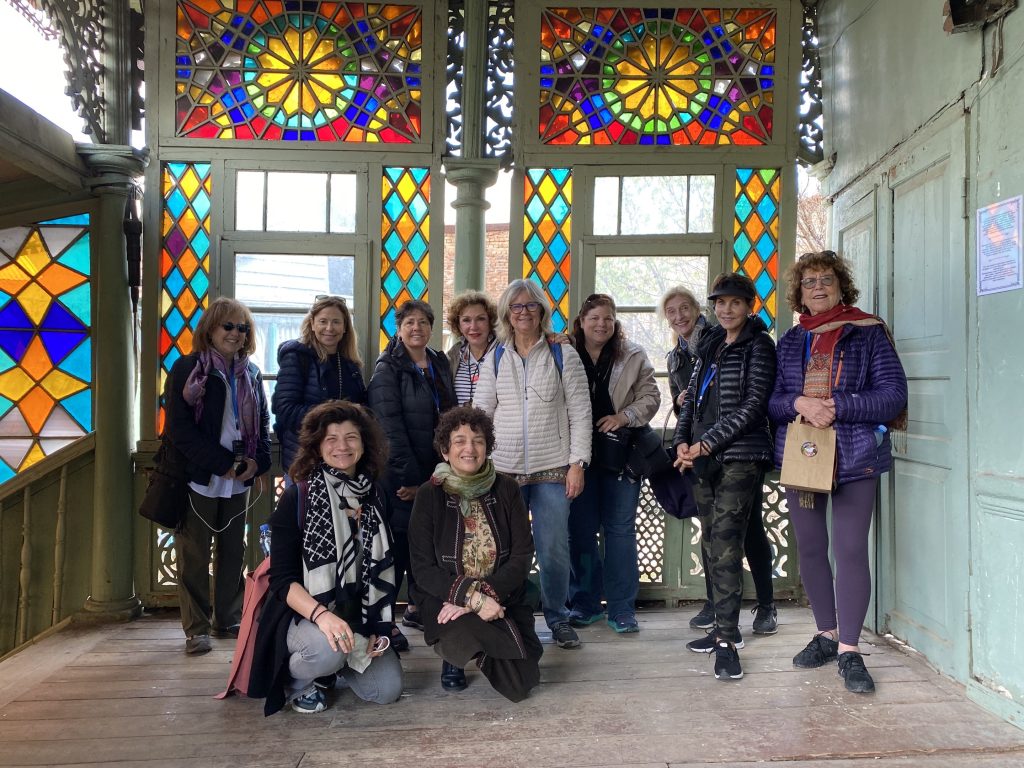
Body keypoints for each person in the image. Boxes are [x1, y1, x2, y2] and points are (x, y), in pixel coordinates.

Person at [770, 250, 907, 694]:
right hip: (804, 454)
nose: (818, 287)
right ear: (799, 293)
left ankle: (850, 649)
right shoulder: (791, 341)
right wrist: (798, 403)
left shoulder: (867, 333)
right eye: (809, 282)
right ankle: (825, 635)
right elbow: (771, 401)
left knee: (849, 551)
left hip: (854, 455)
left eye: (826, 279)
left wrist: (837, 406)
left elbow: (892, 396)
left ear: (841, 285)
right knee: (811, 548)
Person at [248, 400, 403, 715]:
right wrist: (322, 616)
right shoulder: (298, 497)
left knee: (387, 690)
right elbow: (282, 580)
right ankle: (303, 681)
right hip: (303, 615)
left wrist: (378, 629)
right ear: (317, 447)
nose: (342, 446)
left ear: (364, 444)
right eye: (331, 439)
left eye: (351, 437)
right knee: (324, 649)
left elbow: (386, 568)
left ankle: (334, 668)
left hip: (356, 617)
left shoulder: (377, 495)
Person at [475, 279, 592, 650]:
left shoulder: (562, 354)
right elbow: (481, 412)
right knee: (504, 550)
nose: (523, 312)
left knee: (553, 547)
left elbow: (580, 411)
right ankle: (507, 614)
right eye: (515, 307)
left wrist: (578, 463)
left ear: (542, 310)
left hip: (553, 470)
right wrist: (479, 463)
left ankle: (557, 617)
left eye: (530, 305)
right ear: (506, 314)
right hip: (504, 472)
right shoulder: (495, 355)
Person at [672, 273, 776, 681]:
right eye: (720, 302)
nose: (726, 309)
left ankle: (728, 642)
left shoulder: (759, 346)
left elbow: (753, 406)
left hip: (740, 455)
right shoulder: (710, 346)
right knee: (712, 540)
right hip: (701, 457)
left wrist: (707, 443)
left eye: (735, 302)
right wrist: (683, 442)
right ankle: (720, 626)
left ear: (749, 305)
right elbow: (690, 402)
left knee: (728, 541)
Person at [409, 406, 543, 699]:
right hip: (447, 601)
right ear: (445, 451)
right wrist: (470, 597)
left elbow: (522, 557)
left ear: (487, 447)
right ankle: (454, 654)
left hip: (502, 594)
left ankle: (479, 637)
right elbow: (422, 569)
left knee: (523, 679)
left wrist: (483, 597)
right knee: (465, 630)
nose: (469, 448)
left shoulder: (506, 489)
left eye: (478, 440)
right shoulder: (429, 494)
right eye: (459, 441)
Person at [164, 297, 272, 655]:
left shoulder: (252, 373)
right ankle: (196, 629)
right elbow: (179, 429)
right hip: (200, 476)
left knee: (232, 550)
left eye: (243, 328)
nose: (236, 334)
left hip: (238, 479)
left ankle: (226, 618)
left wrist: (257, 461)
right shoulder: (188, 369)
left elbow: (263, 421)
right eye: (229, 326)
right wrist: (219, 462)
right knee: (194, 553)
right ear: (210, 329)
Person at [567, 294, 660, 634]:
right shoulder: (564, 351)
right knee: (580, 532)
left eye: (607, 318)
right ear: (581, 321)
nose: (601, 324)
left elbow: (651, 396)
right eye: (594, 318)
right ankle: (584, 603)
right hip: (576, 456)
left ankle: (622, 608)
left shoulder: (632, 354)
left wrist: (625, 416)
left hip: (620, 456)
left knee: (620, 531)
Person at [368, 299, 456, 652]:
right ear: (398, 328)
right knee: (398, 551)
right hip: (402, 479)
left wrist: (441, 473)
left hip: (435, 476)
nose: (416, 328)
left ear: (431, 327)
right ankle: (386, 621)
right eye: (409, 323)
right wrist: (412, 479)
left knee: (430, 547)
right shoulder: (388, 368)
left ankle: (421, 610)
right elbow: (388, 428)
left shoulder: (438, 362)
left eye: (423, 322)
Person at [272, 295, 366, 476]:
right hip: (306, 459)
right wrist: (333, 417)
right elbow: (285, 409)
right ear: (312, 324)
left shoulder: (349, 363)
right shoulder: (297, 356)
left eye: (336, 322)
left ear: (345, 327)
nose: (329, 328)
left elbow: (361, 407)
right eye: (323, 321)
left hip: (344, 459)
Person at [446, 290, 499, 406]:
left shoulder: (503, 354)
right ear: (458, 325)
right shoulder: (452, 357)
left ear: (490, 322)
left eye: (480, 319)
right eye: (466, 320)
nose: (473, 326)